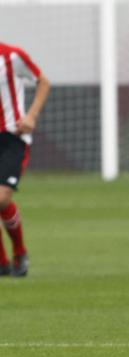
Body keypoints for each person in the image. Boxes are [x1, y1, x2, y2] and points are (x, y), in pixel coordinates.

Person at [0, 42, 50, 277]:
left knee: (1, 197)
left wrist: (31, 116)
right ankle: (2, 262)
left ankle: (19, 251)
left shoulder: (11, 55)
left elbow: (43, 82)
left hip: (12, 136)